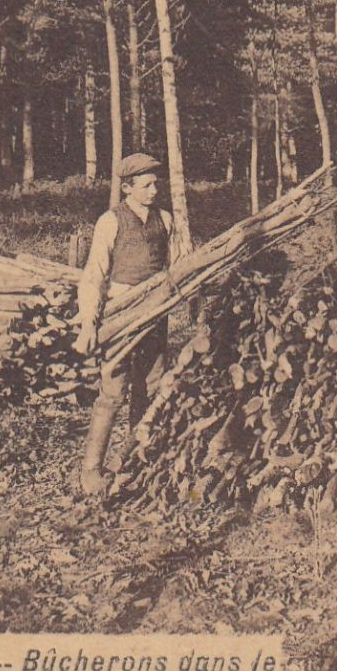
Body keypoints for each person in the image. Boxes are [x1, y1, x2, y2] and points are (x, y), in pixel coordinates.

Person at [71, 153, 189, 496]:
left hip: (155, 313)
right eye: (146, 184)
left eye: (156, 183)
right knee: (113, 390)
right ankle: (91, 469)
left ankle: (138, 457)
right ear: (127, 188)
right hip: (121, 313)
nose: (154, 190)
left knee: (150, 386)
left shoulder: (164, 220)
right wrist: (89, 323)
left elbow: (177, 265)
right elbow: (93, 275)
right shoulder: (110, 222)